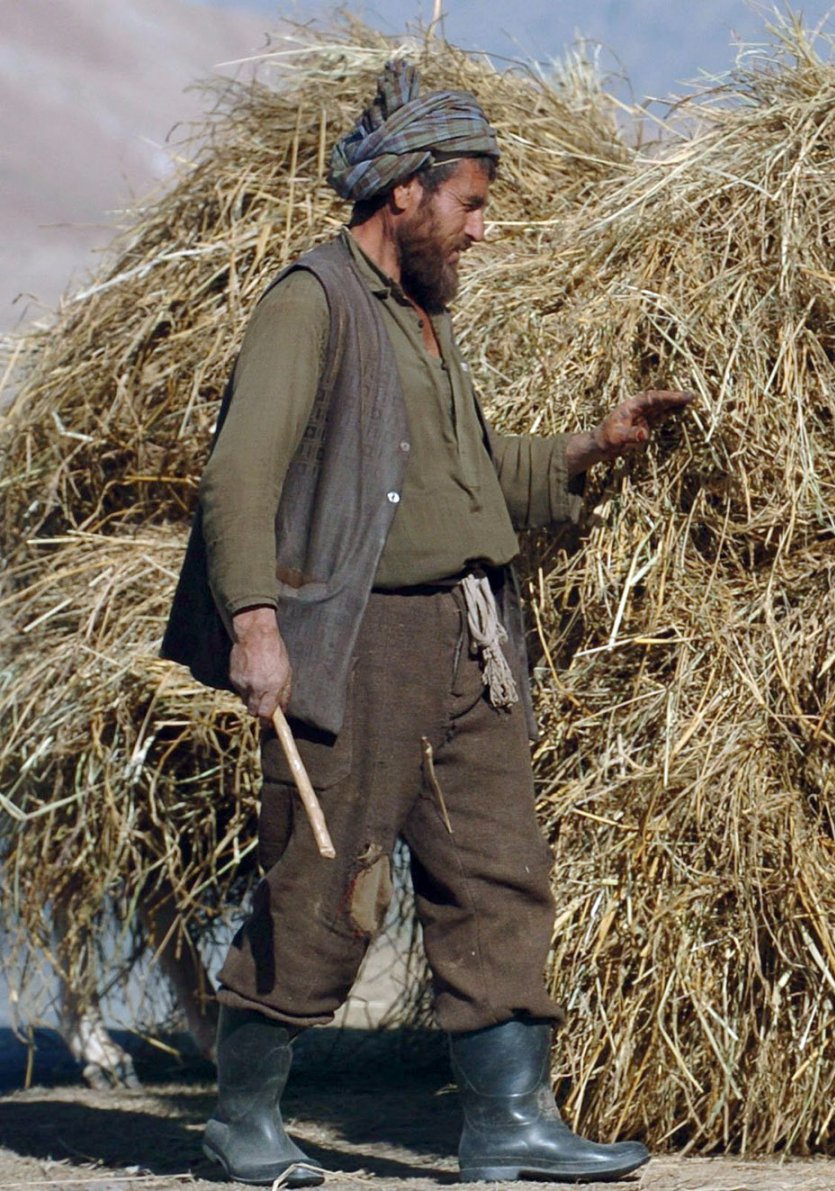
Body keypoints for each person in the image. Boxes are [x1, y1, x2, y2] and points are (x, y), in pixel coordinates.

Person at [161, 60, 691, 1186]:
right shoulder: (313, 303)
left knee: (499, 877)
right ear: (403, 191)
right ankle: (242, 1120)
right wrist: (258, 625)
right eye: (471, 201)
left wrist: (593, 446)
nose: (481, 228)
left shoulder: (422, 320)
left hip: (472, 640)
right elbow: (237, 477)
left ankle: (509, 1126)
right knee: (325, 889)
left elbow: (473, 473)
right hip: (358, 643)